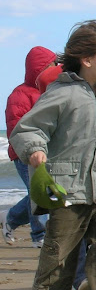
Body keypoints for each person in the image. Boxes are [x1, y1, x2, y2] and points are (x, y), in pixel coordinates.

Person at [10, 20, 96, 290]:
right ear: (87, 59)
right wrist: (35, 149)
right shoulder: (62, 93)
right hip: (68, 186)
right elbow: (26, 129)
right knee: (60, 246)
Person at [2, 46, 56, 247]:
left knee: (46, 192)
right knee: (38, 193)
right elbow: (16, 126)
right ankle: (39, 235)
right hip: (23, 152)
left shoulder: (53, 91)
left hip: (48, 151)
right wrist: (29, 148)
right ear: (39, 68)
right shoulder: (20, 95)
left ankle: (11, 218)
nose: (55, 68)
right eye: (50, 65)